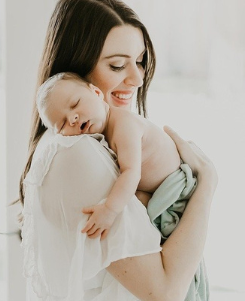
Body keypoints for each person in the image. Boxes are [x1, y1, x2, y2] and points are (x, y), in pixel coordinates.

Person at [17, 0, 218, 301]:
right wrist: (208, 183)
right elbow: (168, 293)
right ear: (82, 73)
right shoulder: (81, 158)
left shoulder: (84, 141)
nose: (136, 78)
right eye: (117, 64)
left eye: (141, 62)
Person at [35, 71, 182, 240]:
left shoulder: (124, 125)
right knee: (134, 202)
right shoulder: (97, 136)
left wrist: (109, 210)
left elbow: (131, 172)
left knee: (128, 206)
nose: (72, 118)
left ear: (97, 93)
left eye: (75, 104)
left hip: (175, 189)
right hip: (154, 189)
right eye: (61, 125)